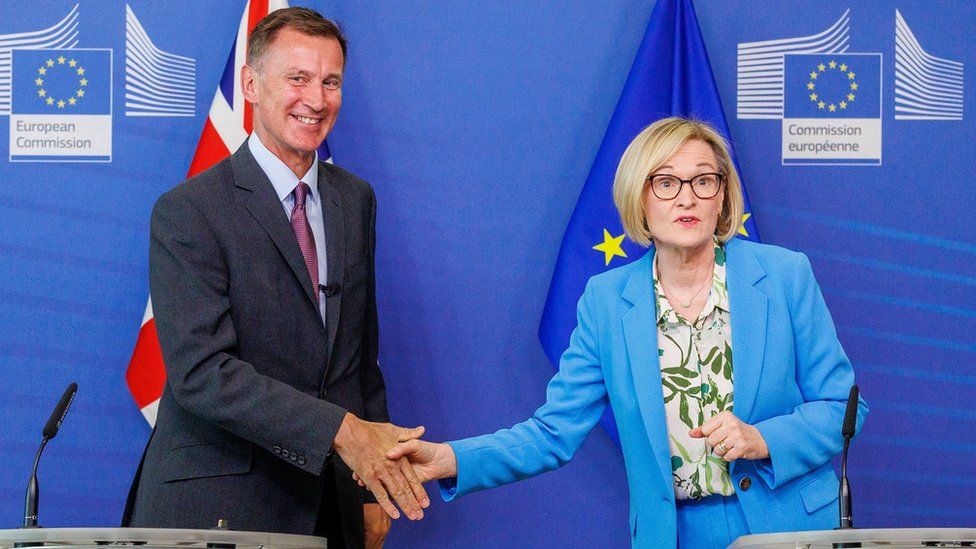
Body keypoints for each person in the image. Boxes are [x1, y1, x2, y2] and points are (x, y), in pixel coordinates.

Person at [383, 117, 868, 548]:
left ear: (722, 196)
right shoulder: (607, 301)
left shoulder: (784, 276)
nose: (687, 197)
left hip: (789, 528)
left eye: (703, 180)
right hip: (673, 534)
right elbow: (553, 433)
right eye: (666, 182)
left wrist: (763, 438)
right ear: (639, 197)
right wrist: (450, 459)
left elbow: (843, 408)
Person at [122, 8, 429, 549]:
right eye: (298, 78)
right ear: (251, 85)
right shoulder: (189, 210)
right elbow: (202, 373)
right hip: (219, 507)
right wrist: (341, 432)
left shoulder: (354, 201)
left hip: (330, 507)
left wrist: (371, 485)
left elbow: (359, 356)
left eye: (331, 81)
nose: (316, 98)